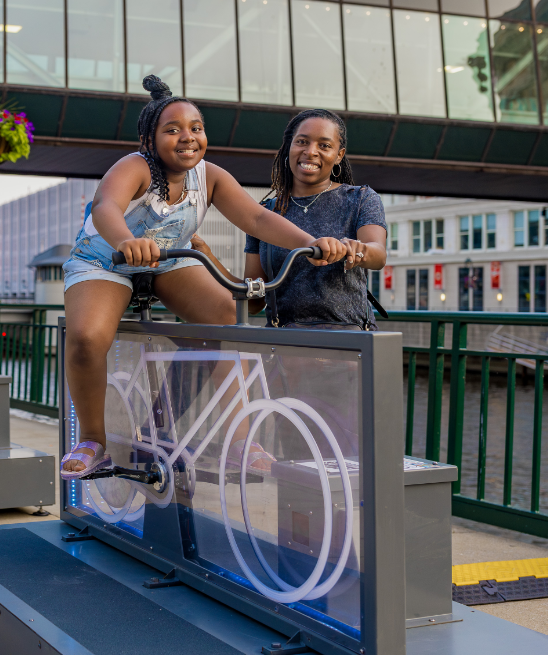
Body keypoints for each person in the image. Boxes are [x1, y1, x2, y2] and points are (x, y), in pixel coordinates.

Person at [59, 76, 349, 479]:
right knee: (88, 338)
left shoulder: (209, 176)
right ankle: (92, 440)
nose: (188, 137)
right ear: (150, 139)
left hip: (170, 259)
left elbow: (256, 217)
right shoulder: (133, 167)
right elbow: (106, 205)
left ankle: (239, 443)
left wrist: (312, 241)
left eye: (196, 128)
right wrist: (127, 239)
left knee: (229, 321)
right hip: (106, 259)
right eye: (173, 130)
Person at [243, 108, 388, 330]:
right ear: (289, 147)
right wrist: (207, 258)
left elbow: (378, 255)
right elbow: (254, 303)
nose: (310, 151)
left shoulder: (360, 199)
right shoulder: (264, 214)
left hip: (349, 345)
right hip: (283, 347)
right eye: (302, 141)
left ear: (339, 155)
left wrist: (354, 249)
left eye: (324, 145)